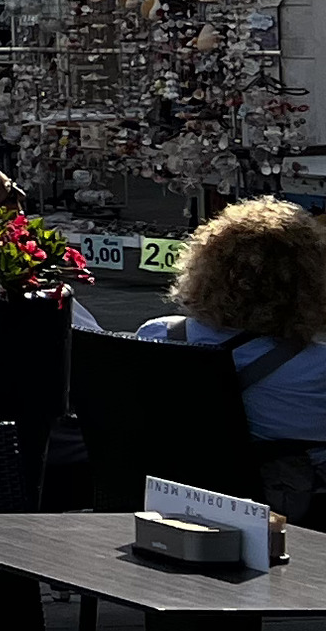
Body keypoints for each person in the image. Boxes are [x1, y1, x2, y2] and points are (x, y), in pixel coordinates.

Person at [138, 197, 326, 524]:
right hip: (293, 517)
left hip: (175, 508)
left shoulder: (158, 337)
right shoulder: (318, 367)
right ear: (310, 282)